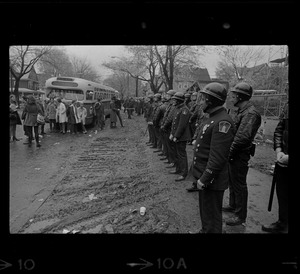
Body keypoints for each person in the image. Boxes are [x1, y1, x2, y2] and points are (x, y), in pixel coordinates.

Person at [192, 82, 235, 233]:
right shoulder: (213, 117)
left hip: (212, 179)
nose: (200, 102)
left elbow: (217, 158)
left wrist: (205, 178)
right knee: (206, 211)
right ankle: (205, 230)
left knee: (212, 214)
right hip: (206, 175)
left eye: (203, 99)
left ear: (211, 101)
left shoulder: (222, 122)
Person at [223, 82, 262, 226]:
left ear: (240, 97)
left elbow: (242, 138)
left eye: (233, 96)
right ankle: (233, 205)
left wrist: (230, 152)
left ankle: (240, 216)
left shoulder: (250, 113)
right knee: (232, 181)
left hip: (240, 154)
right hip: (234, 152)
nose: (231, 99)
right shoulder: (240, 111)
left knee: (239, 184)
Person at [262, 100, 289, 233]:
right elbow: (279, 129)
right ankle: (282, 222)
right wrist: (279, 150)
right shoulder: (288, 104)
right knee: (282, 193)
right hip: (283, 160)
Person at [168, 91, 191, 182]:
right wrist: (172, 134)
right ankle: (178, 169)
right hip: (177, 135)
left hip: (182, 136)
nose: (173, 101)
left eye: (175, 100)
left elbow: (182, 125)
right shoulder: (178, 108)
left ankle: (183, 173)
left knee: (182, 155)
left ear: (179, 100)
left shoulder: (185, 110)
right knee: (177, 154)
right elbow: (175, 124)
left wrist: (176, 136)